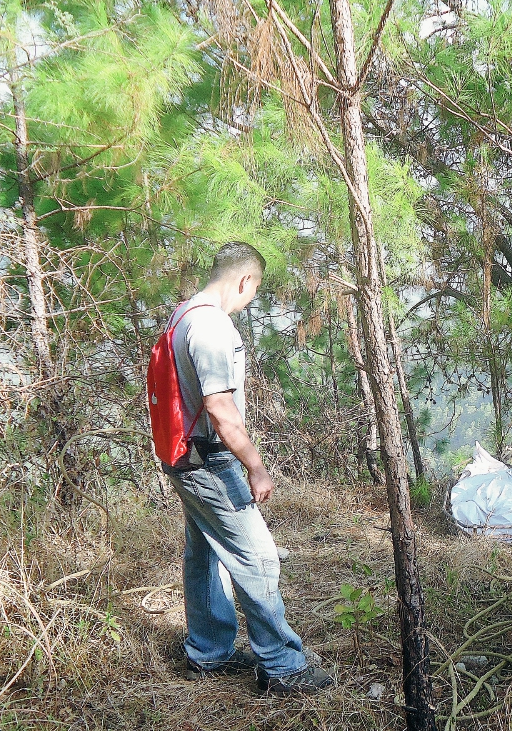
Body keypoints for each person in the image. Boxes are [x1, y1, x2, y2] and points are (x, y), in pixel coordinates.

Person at [164, 242, 332, 694]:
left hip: (181, 456)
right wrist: (255, 467)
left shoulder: (182, 314)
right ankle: (282, 667)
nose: (249, 300)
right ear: (245, 280)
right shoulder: (213, 327)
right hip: (208, 460)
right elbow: (219, 408)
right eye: (253, 291)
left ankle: (208, 651)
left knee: (202, 555)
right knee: (258, 559)